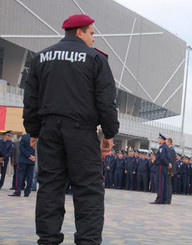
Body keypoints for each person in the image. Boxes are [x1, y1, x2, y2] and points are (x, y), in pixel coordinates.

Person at [23, 14, 119, 244]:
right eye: (92, 33)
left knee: (49, 187)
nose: (94, 39)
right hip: (81, 132)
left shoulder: (41, 58)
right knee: (88, 190)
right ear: (80, 32)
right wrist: (109, 132)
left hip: (49, 131)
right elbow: (106, 101)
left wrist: (34, 131)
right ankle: (87, 241)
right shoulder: (96, 59)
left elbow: (31, 100)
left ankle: (47, 239)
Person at [150, 133, 171, 204]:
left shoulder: (162, 147)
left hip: (160, 166)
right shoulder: (167, 147)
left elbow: (162, 157)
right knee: (163, 183)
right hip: (164, 167)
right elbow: (168, 157)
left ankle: (159, 199)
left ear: (162, 139)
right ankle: (163, 199)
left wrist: (167, 163)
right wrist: (168, 163)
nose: (158, 140)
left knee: (160, 183)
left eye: (158, 139)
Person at [166, 138, 176, 204]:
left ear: (169, 142)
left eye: (166, 142)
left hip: (169, 170)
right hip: (167, 169)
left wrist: (171, 171)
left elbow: (173, 161)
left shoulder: (171, 150)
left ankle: (168, 199)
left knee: (168, 185)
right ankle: (166, 198)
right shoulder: (169, 149)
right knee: (167, 185)